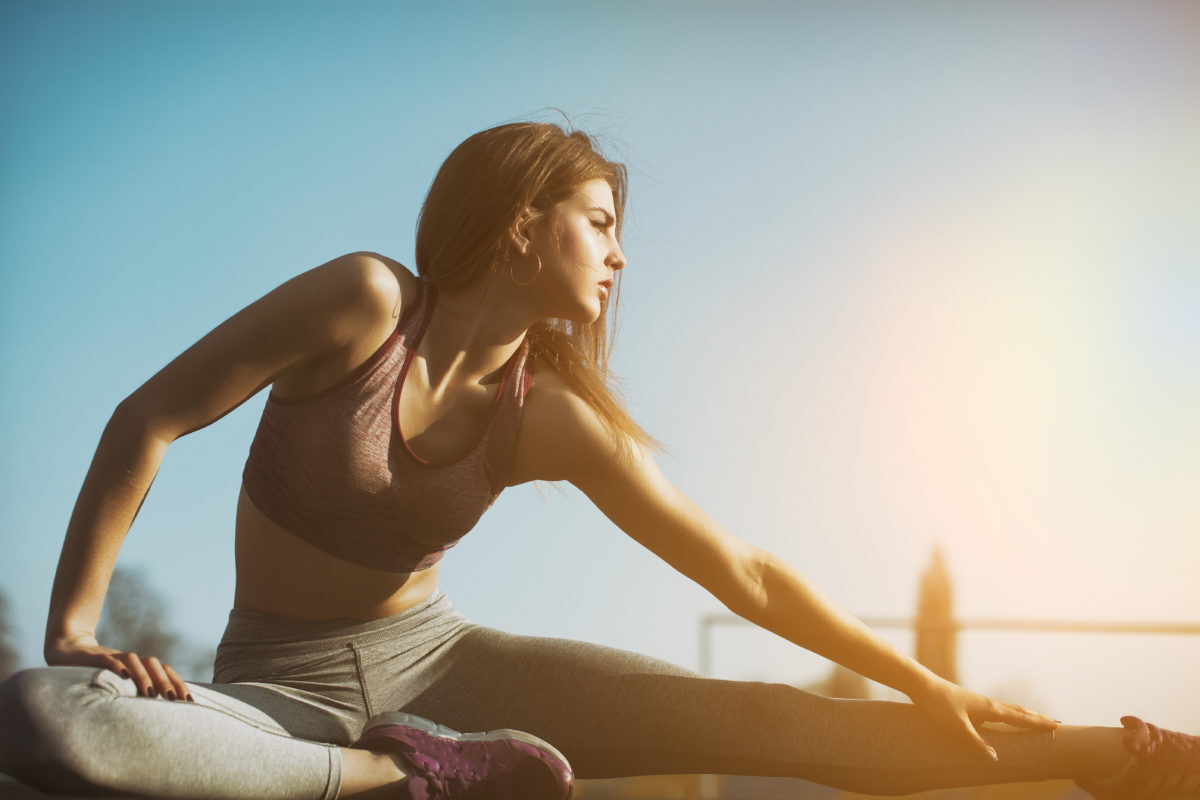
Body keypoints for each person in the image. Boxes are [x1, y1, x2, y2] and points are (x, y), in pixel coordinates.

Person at [0, 122, 1196, 800]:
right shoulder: (366, 303)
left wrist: (920, 677)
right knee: (52, 720)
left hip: (450, 665)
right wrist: (77, 624)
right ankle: (392, 772)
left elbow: (746, 572)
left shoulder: (547, 415)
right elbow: (145, 416)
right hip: (273, 691)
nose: (619, 255)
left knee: (764, 718)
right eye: (600, 223)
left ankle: (1111, 762)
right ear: (525, 221)